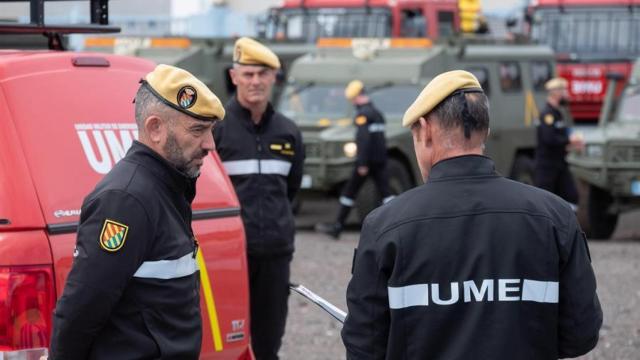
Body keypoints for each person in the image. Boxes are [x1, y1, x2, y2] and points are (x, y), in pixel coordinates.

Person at [341, 70, 602, 359]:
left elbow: (365, 345)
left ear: (426, 130)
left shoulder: (385, 226)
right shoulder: (555, 217)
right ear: (485, 132)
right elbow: (581, 333)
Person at [50, 64, 225, 359]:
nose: (210, 144)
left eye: (210, 130)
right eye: (198, 130)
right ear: (155, 128)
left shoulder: (167, 188)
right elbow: (82, 307)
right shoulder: (126, 200)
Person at [213, 37, 304, 360]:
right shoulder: (216, 130)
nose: (255, 81)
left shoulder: (289, 133)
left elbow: (290, 190)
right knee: (225, 340)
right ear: (234, 76)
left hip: (275, 255)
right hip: (228, 254)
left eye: (262, 74)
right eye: (248, 74)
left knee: (268, 343)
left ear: (274, 78)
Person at [315, 80, 393, 239]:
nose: (352, 103)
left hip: (367, 162)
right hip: (380, 160)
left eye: (352, 99)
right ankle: (396, 224)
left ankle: (337, 226)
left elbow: (363, 140)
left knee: (349, 192)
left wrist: (362, 163)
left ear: (357, 97)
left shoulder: (362, 114)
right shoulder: (377, 113)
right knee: (387, 194)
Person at [535, 77, 583, 208]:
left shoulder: (558, 113)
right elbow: (549, 138)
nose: (566, 94)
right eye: (564, 91)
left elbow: (560, 136)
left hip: (559, 164)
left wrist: (572, 144)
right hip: (547, 167)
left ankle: (567, 225)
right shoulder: (548, 114)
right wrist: (569, 140)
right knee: (546, 201)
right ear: (556, 93)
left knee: (571, 197)